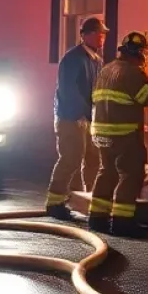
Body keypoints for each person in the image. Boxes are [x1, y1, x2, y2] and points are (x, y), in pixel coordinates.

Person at [87, 31, 148, 237]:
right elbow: (146, 97)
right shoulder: (132, 73)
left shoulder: (106, 70)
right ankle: (122, 221)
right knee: (131, 174)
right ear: (138, 54)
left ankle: (97, 217)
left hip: (101, 132)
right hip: (124, 133)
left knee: (107, 172)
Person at [44, 16, 107, 220]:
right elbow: (69, 89)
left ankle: (92, 201)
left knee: (93, 159)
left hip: (88, 119)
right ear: (85, 35)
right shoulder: (73, 58)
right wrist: (83, 113)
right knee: (71, 158)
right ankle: (55, 203)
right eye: (98, 34)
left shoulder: (96, 60)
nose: (102, 38)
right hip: (71, 118)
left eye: (103, 34)